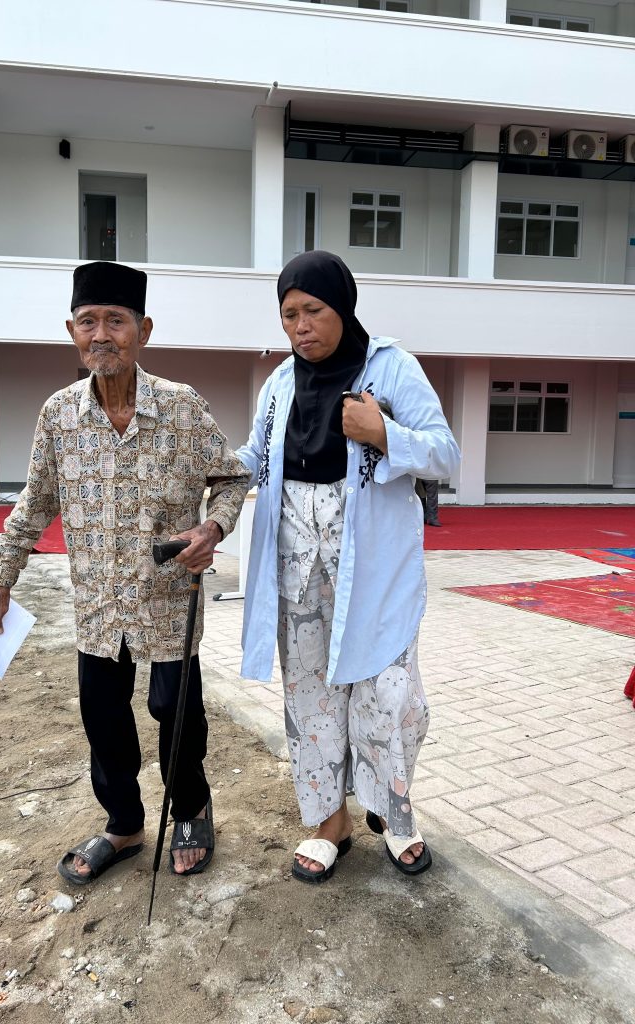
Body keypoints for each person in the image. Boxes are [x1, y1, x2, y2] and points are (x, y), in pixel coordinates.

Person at [0, 261, 250, 884]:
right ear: (72, 331)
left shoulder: (182, 408)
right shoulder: (58, 416)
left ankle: (191, 810)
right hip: (98, 604)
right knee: (102, 716)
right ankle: (124, 824)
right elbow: (34, 503)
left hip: (168, 597)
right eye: (88, 321)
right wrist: (2, 579)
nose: (101, 334)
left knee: (175, 712)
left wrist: (212, 529)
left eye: (116, 321)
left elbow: (233, 478)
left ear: (143, 330)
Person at [237, 251, 460, 882]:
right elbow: (256, 456)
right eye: (288, 315)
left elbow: (445, 453)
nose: (300, 326)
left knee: (390, 694)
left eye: (313, 310)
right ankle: (328, 821)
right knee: (310, 696)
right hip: (298, 565)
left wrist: (384, 432)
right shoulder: (279, 383)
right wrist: (212, 467)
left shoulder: (391, 368)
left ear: (343, 306)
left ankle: (393, 813)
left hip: (374, 569)